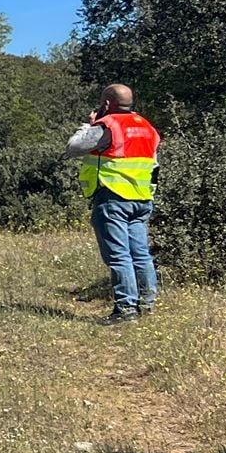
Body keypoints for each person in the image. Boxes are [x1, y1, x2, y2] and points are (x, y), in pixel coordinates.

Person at [67, 83, 159, 325]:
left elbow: (74, 147)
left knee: (119, 256)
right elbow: (153, 163)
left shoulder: (107, 125)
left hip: (112, 197)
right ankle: (147, 304)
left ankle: (126, 309)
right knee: (141, 254)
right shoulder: (147, 127)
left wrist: (90, 124)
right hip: (141, 199)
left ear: (107, 103)